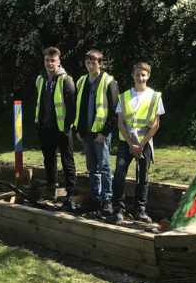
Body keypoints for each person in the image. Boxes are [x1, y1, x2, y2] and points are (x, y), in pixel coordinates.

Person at [111, 62, 164, 225]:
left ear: (148, 76)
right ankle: (118, 209)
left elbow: (156, 124)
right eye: (137, 74)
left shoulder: (155, 97)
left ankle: (140, 209)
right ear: (133, 75)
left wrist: (141, 144)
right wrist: (131, 144)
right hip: (125, 142)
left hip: (144, 143)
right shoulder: (124, 96)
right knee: (119, 174)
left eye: (143, 74)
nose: (140, 77)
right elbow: (120, 123)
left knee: (143, 177)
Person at [74, 49, 118, 215]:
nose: (91, 65)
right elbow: (78, 107)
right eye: (88, 62)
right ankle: (96, 198)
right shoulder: (81, 81)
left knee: (104, 167)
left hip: (101, 134)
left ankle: (107, 200)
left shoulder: (109, 82)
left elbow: (114, 110)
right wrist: (78, 130)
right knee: (92, 167)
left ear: (101, 64)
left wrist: (105, 133)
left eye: (94, 62)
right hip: (86, 133)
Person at [34, 47, 77, 210]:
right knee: (49, 159)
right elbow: (38, 102)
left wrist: (68, 125)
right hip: (45, 127)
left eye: (53, 60)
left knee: (67, 160)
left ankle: (70, 195)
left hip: (62, 128)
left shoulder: (66, 80)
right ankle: (51, 189)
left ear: (59, 61)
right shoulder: (40, 80)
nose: (50, 63)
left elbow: (72, 106)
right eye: (47, 60)